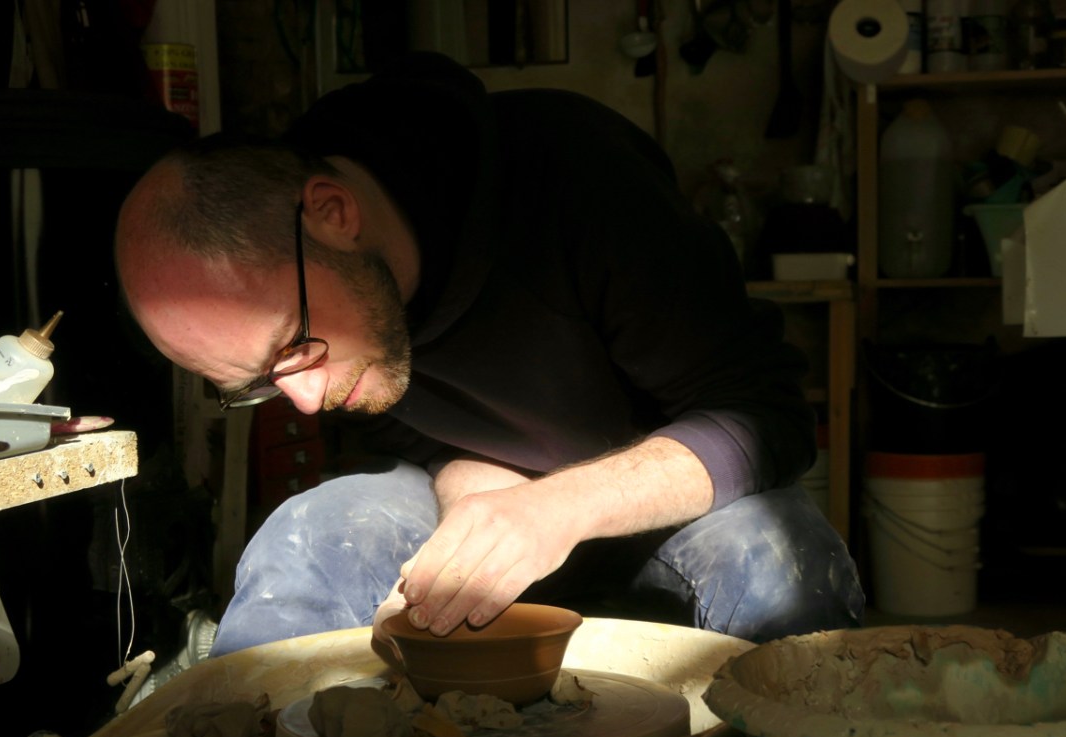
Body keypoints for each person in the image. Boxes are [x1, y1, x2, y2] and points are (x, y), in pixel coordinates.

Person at [116, 52, 864, 661]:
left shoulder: (575, 172)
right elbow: (424, 444)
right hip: (487, 497)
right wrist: (484, 518)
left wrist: (554, 511)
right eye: (260, 382)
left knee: (782, 563)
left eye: (292, 345)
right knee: (305, 542)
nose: (305, 400)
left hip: (663, 503)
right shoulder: (330, 324)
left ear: (334, 214)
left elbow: (765, 415)